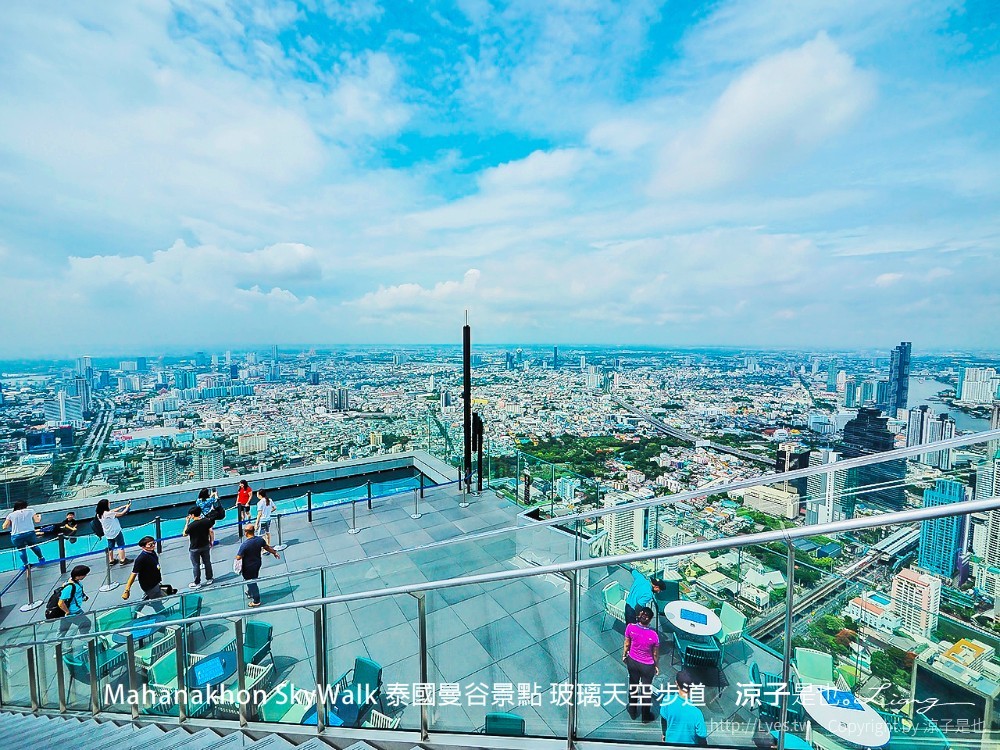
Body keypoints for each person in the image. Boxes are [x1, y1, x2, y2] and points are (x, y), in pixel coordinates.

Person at [622, 605, 659, 722]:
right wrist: (656, 666)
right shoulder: (654, 635)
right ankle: (645, 716)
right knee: (646, 690)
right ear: (650, 620)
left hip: (632, 662)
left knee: (633, 686)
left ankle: (633, 712)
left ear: (639, 616)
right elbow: (655, 654)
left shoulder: (630, 627)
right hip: (647, 666)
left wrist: (624, 655)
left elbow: (627, 644)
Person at [659, 670, 708, 746]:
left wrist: (664, 735)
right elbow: (702, 737)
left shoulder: (667, 700)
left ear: (676, 683)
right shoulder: (697, 713)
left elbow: (663, 720)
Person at [235, 524, 279, 607]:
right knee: (253, 579)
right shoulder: (259, 540)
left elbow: (238, 557)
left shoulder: (245, 545)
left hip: (248, 567)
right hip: (257, 563)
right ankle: (250, 591)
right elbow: (267, 547)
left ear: (246, 532)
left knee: (251, 582)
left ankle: (256, 600)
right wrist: (274, 553)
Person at [122, 536, 166, 612]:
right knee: (157, 603)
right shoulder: (141, 559)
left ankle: (135, 611)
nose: (153, 546)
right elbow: (133, 574)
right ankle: (164, 614)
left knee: (146, 598)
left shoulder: (152, 553)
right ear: (143, 547)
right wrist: (127, 589)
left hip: (155, 582)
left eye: (154, 543)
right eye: (150, 544)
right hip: (149, 585)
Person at [3, 499, 44, 567]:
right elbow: (37, 521)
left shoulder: (11, 515)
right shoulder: (31, 511)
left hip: (16, 535)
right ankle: (41, 558)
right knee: (34, 546)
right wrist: (39, 516)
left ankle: (26, 564)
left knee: (21, 550)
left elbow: (4, 527)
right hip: (29, 533)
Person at [183, 506, 214, 589]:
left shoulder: (191, 525)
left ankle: (197, 582)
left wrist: (187, 522)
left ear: (193, 515)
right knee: (207, 562)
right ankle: (209, 578)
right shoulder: (207, 521)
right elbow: (211, 531)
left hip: (194, 548)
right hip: (205, 545)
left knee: (196, 565)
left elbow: (184, 534)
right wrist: (211, 541)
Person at [57, 565, 92, 636]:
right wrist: (68, 612)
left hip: (72, 610)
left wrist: (83, 597)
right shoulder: (70, 587)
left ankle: (60, 641)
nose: (85, 576)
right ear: (78, 576)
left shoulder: (76, 582)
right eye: (84, 574)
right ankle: (85, 638)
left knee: (63, 630)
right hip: (73, 611)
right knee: (85, 623)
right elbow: (60, 603)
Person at [96, 497, 132, 566]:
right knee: (120, 545)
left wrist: (123, 506)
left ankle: (111, 560)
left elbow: (113, 511)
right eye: (108, 503)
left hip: (108, 532)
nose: (109, 504)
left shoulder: (99, 514)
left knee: (110, 546)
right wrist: (127, 508)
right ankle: (123, 560)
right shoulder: (108, 514)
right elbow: (121, 514)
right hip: (116, 531)